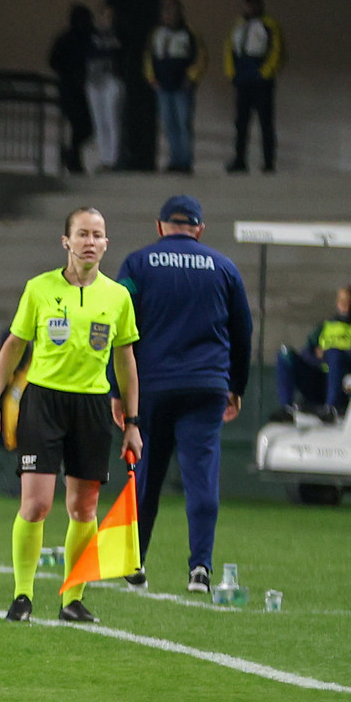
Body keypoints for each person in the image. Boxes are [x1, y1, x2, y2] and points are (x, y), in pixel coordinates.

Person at [0, 207, 143, 624]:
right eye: (82, 234)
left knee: (83, 509)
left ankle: (73, 598)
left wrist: (133, 421)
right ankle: (22, 595)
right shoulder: (38, 289)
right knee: (35, 505)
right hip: (44, 403)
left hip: (92, 405)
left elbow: (125, 361)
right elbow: (13, 347)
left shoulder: (118, 296)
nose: (90, 241)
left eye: (98, 235)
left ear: (107, 243)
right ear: (65, 241)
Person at [114, 195, 253, 593]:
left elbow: (117, 328)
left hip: (151, 387)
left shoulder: (138, 264)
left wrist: (116, 390)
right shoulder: (224, 267)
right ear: (200, 230)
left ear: (159, 227)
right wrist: (235, 387)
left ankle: (134, 564)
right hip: (206, 385)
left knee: (145, 476)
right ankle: (200, 569)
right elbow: (243, 333)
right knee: (201, 476)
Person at [274, 286, 351, 419]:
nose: (347, 309)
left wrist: (332, 353)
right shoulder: (326, 326)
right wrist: (324, 357)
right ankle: (286, 408)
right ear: (337, 304)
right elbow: (307, 352)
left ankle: (332, 408)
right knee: (285, 355)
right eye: (343, 304)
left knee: (335, 354)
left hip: (344, 385)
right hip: (318, 379)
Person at [225, 0, 282, 173]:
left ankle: (268, 162)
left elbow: (276, 51)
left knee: (265, 122)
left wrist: (264, 73)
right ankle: (240, 159)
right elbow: (229, 49)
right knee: (241, 122)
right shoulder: (239, 25)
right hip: (242, 76)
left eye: (252, 3)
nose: (249, 7)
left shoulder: (269, 24)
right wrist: (232, 73)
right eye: (246, 3)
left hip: (260, 77)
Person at [144, 0, 202, 174]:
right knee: (169, 124)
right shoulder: (157, 34)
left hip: (182, 87)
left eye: (173, 11)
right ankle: (174, 160)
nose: (169, 15)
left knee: (183, 123)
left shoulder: (189, 33)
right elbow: (148, 57)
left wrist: (191, 78)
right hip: (163, 86)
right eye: (166, 11)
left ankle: (185, 161)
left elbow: (201, 57)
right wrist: (151, 78)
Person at [48, 4, 97, 173]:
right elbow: (54, 61)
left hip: (86, 90)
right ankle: (73, 159)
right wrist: (70, 72)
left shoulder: (91, 37)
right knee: (80, 126)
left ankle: (71, 155)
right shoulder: (66, 39)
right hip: (70, 91)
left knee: (86, 127)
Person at [85, 4, 123, 170]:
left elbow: (117, 53)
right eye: (104, 16)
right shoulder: (91, 35)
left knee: (112, 119)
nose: (107, 20)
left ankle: (113, 160)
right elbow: (88, 53)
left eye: (110, 17)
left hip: (111, 79)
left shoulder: (118, 34)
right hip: (94, 81)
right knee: (99, 121)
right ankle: (104, 158)